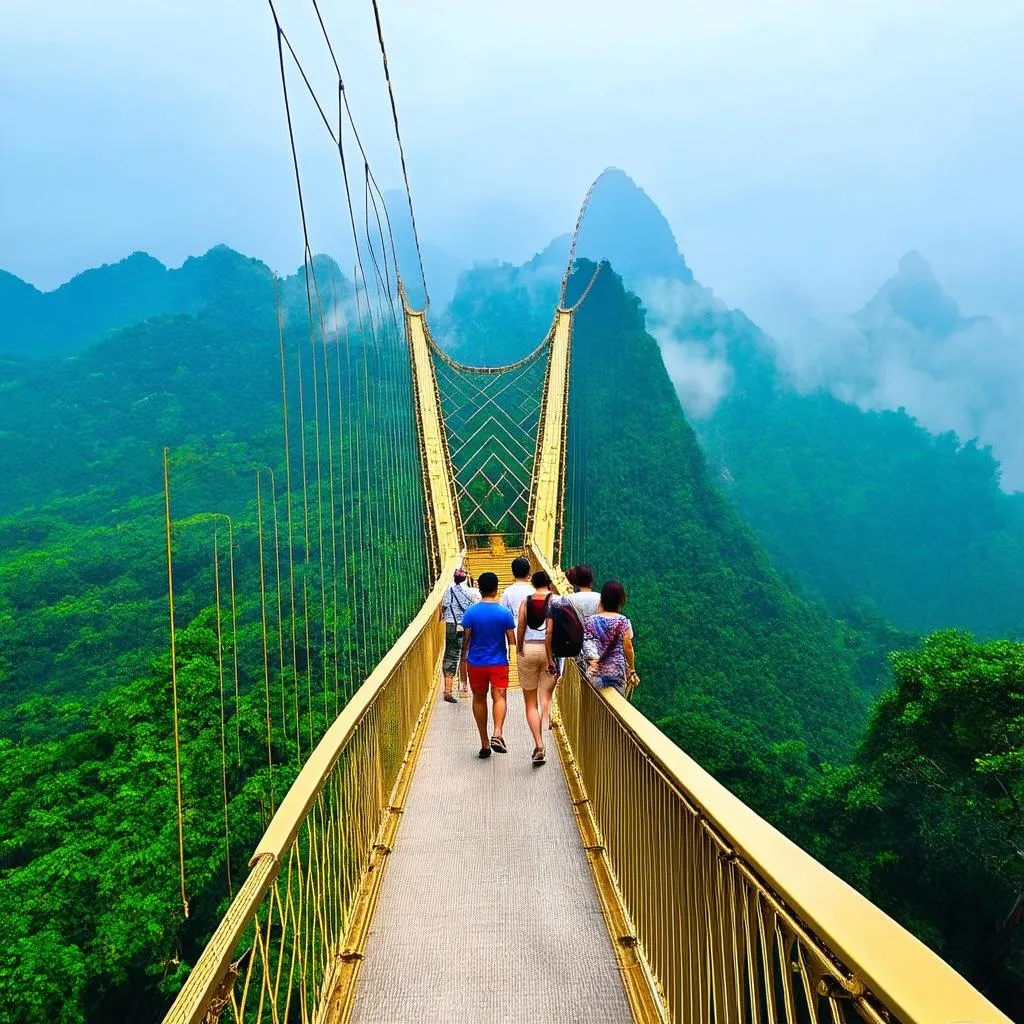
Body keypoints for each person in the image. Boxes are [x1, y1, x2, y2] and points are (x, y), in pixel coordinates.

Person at [460, 571, 516, 758]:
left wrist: (463, 661)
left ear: (480, 588)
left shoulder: (470, 612)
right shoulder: (504, 613)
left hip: (475, 663)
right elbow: (511, 640)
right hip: (499, 662)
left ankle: (484, 743)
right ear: (496, 588)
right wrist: (512, 658)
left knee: (479, 698)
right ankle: (497, 733)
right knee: (499, 697)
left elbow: (466, 641)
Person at [515, 570, 557, 765]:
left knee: (530, 703)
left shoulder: (526, 601)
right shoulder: (556, 601)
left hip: (529, 649)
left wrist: (519, 648)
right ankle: (547, 718)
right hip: (550, 652)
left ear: (533, 584)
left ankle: (539, 745)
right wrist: (551, 658)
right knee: (545, 696)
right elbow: (552, 631)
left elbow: (521, 627)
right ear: (549, 583)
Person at [583, 580, 636, 695]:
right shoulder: (623, 622)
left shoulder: (590, 621)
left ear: (602, 599)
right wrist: (632, 669)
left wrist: (591, 661)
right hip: (616, 674)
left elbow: (586, 644)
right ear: (621, 601)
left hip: (595, 671)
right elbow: (628, 647)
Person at [439, 567, 479, 703]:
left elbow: (443, 608)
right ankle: (465, 687)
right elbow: (476, 607)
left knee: (451, 656)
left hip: (451, 625)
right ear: (466, 578)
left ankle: (447, 690)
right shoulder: (471, 592)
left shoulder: (447, 591)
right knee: (466, 656)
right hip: (467, 626)